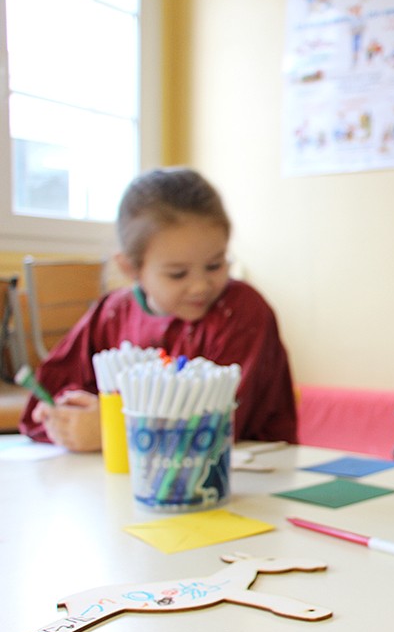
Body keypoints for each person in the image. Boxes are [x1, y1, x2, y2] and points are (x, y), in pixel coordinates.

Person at [20, 167, 297, 451]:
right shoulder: (111, 313)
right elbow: (44, 403)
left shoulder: (241, 311)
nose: (200, 286)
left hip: (252, 470)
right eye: (178, 274)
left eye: (215, 265)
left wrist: (113, 431)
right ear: (131, 268)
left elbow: (217, 427)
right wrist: (64, 417)